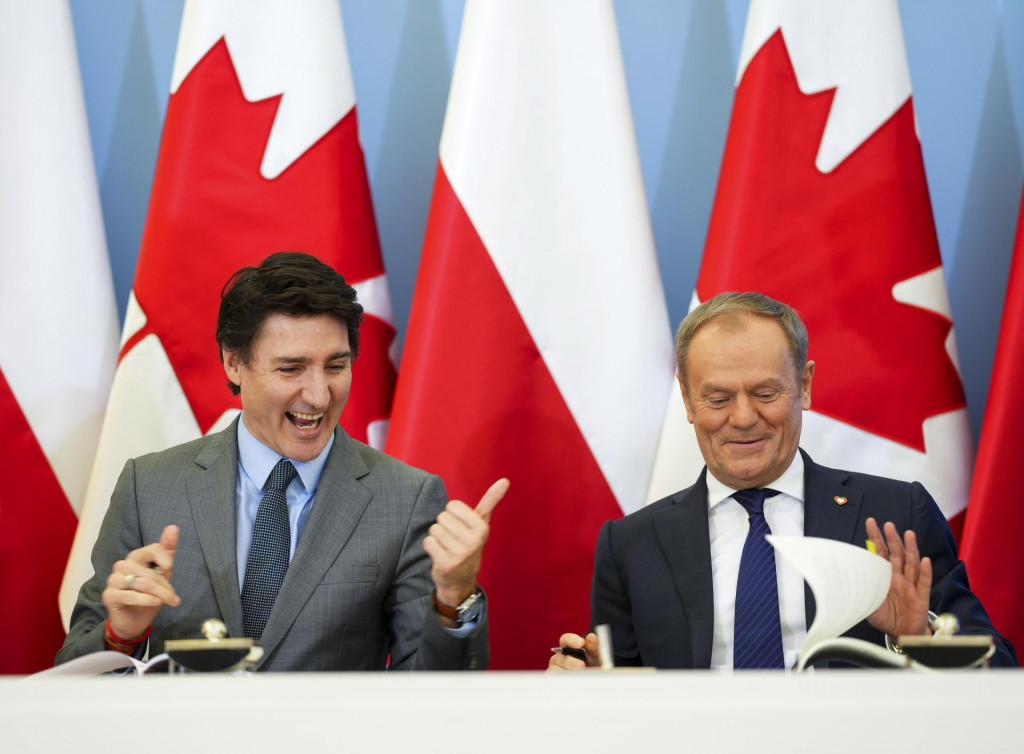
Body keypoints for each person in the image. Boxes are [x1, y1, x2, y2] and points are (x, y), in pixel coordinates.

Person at [58, 251, 507, 671]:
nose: (319, 395)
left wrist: (454, 598)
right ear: (234, 363)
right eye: (291, 369)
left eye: (336, 366)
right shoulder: (149, 486)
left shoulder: (406, 499)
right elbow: (74, 679)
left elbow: (433, 694)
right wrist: (121, 635)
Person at [550, 292, 1016, 670]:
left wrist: (919, 637)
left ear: (804, 386)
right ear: (688, 401)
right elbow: (619, 692)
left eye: (765, 392)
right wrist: (586, 685)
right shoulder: (632, 544)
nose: (743, 418)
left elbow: (998, 674)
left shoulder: (895, 514)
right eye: (717, 399)